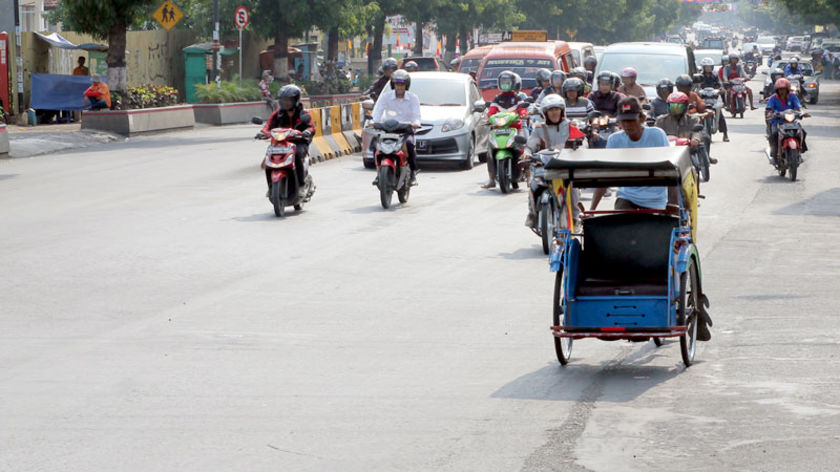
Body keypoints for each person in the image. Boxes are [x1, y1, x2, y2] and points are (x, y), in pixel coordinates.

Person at [589, 96, 671, 211]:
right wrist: (592, 210)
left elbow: (672, 172)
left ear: (642, 118)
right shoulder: (614, 140)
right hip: (627, 197)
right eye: (624, 120)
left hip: (656, 200)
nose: (627, 125)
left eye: (631, 120)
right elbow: (604, 176)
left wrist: (675, 207)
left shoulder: (657, 135)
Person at [523, 94, 571, 229]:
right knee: (534, 187)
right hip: (544, 168)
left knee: (572, 190)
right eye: (551, 110)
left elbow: (581, 142)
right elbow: (530, 145)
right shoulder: (539, 128)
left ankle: (575, 217)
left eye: (557, 109)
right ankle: (533, 215)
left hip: (565, 168)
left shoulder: (570, 126)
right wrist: (527, 153)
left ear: (562, 111)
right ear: (545, 113)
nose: (554, 112)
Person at [259, 85, 315, 197]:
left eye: (288, 100)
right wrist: (263, 133)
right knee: (267, 160)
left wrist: (307, 132)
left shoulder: (304, 114)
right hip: (280, 143)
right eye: (283, 100)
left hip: (299, 142)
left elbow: (311, 127)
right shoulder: (278, 114)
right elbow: (268, 126)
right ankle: (271, 187)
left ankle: (301, 185)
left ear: (295, 100)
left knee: (298, 155)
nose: (285, 103)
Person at [371, 69, 421, 186]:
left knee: (409, 144)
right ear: (393, 85)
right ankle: (379, 173)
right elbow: (377, 112)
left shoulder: (413, 98)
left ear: (406, 85)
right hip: (388, 129)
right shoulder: (385, 97)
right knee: (375, 144)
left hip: (405, 130)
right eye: (397, 84)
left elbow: (416, 115)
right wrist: (373, 122)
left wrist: (415, 123)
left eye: (402, 84)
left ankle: (413, 172)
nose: (399, 87)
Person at [482, 70, 527, 189]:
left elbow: (522, 109)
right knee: (490, 153)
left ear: (513, 83)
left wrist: (523, 114)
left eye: (508, 82)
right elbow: (491, 112)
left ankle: (529, 176)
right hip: (498, 129)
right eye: (503, 82)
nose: (505, 84)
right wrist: (488, 119)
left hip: (515, 128)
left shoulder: (517, 98)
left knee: (524, 151)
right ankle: (491, 179)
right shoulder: (497, 99)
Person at [654, 91, 717, 164]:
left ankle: (704, 163)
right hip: (666, 151)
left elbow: (696, 132)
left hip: (688, 150)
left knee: (705, 138)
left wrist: (695, 140)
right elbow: (656, 135)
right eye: (673, 107)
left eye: (678, 107)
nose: (675, 110)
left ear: (685, 107)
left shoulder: (693, 119)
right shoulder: (661, 120)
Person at [765, 78, 809, 163]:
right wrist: (771, 114)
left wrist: (802, 113)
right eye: (780, 89)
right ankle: (774, 155)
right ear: (777, 90)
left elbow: (798, 107)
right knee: (774, 136)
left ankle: (800, 151)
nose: (782, 91)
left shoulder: (793, 96)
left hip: (791, 121)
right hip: (778, 122)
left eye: (784, 89)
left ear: (788, 89)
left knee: (802, 132)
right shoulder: (773, 98)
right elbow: (769, 110)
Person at [698, 58, 729, 142]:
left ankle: (725, 134)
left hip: (713, 98)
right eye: (706, 67)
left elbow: (720, 85)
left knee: (720, 115)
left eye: (709, 67)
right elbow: (696, 86)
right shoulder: (699, 76)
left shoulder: (715, 75)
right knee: (697, 114)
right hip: (703, 99)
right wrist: (697, 91)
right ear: (703, 67)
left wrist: (721, 89)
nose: (708, 68)